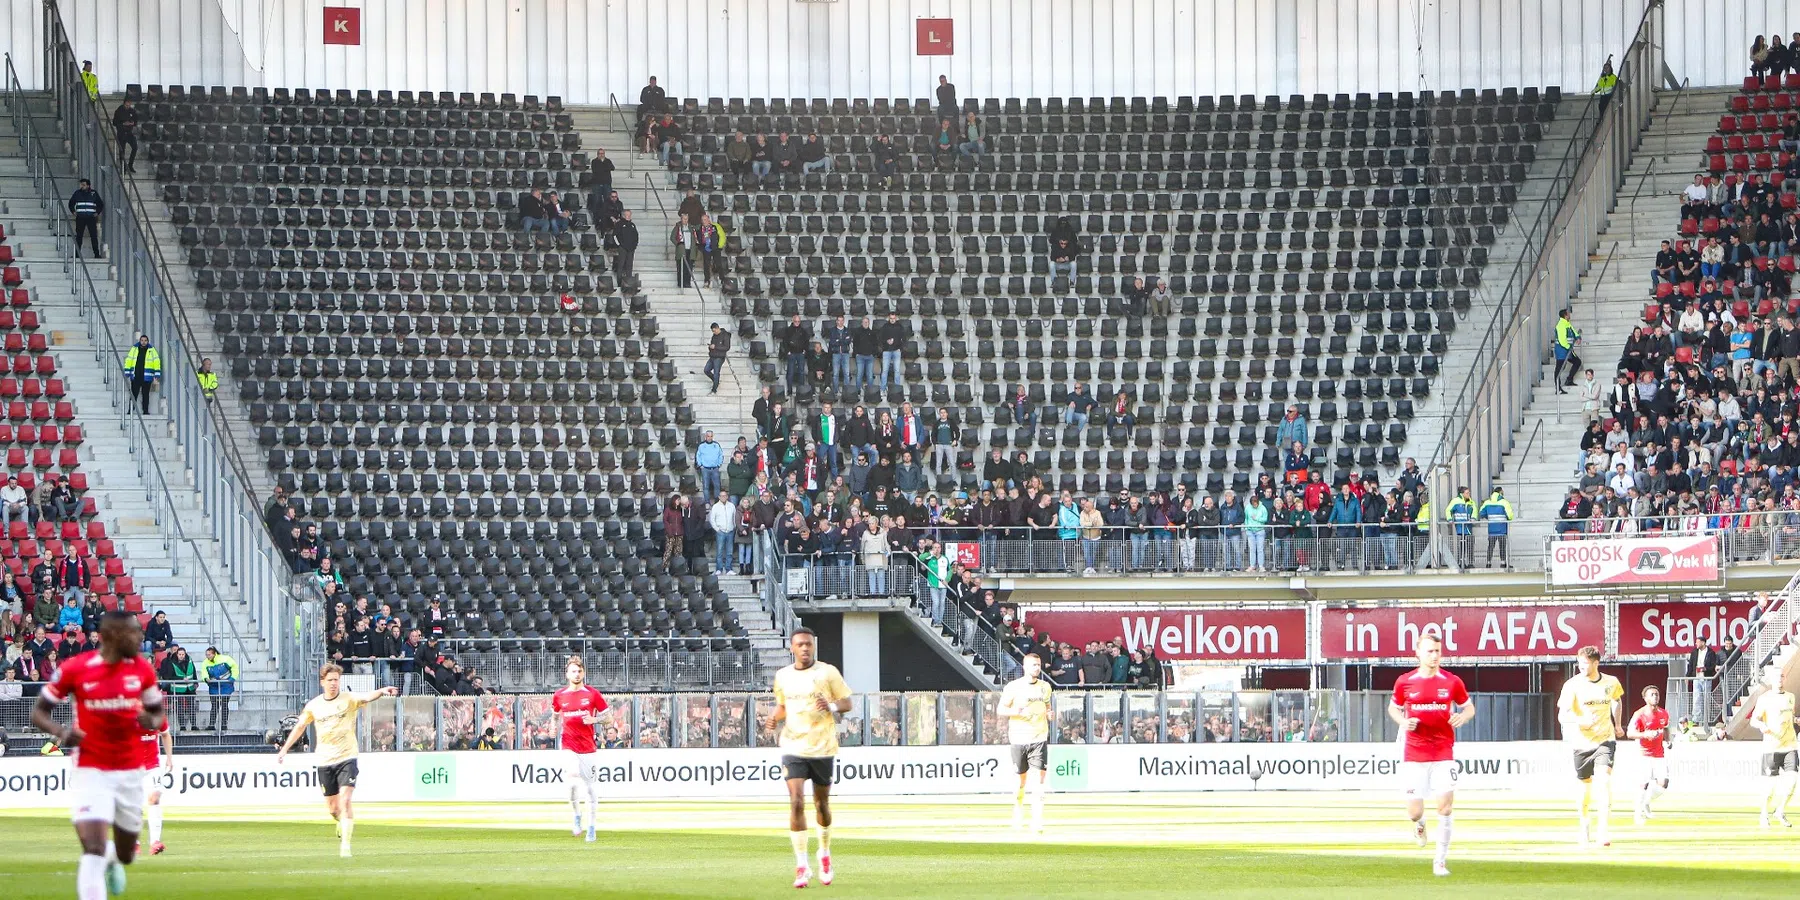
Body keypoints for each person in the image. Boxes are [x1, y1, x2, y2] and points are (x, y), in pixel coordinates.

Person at [31, 609, 165, 900]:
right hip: (90, 768)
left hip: (131, 770)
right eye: (133, 632)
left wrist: (151, 721)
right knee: (92, 847)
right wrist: (62, 731)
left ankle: (114, 859)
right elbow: (38, 711)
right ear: (112, 636)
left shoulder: (141, 669)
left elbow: (158, 713)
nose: (139, 637)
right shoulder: (76, 668)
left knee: (127, 853)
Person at [274, 663, 400, 857]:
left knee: (346, 799)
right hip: (325, 760)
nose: (334, 683)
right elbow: (299, 727)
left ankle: (346, 847)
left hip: (347, 756)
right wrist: (284, 749)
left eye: (336, 680)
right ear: (322, 682)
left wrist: (382, 691)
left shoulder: (348, 699)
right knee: (334, 809)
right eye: (330, 680)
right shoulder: (314, 705)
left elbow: (366, 696)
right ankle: (341, 822)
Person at [766, 628, 852, 889]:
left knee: (821, 804)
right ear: (792, 648)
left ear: (813, 646)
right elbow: (783, 706)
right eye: (800, 644)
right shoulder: (783, 676)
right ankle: (802, 865)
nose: (805, 648)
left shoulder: (827, 672)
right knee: (795, 802)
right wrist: (773, 717)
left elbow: (847, 703)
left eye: (809, 644)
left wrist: (832, 706)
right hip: (793, 745)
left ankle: (824, 853)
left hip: (822, 746)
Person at [1389, 632, 1473, 878]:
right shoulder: (1405, 682)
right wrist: (1404, 722)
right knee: (1414, 812)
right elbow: (1393, 708)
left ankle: (1440, 861)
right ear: (1418, 653)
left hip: (1443, 752)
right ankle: (1420, 824)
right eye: (1430, 651)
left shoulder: (1451, 681)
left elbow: (1469, 707)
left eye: (1437, 651)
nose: (1435, 656)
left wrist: (1462, 716)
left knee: (1445, 808)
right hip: (1414, 754)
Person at [1557, 645, 1624, 847]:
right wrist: (1580, 721)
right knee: (1584, 791)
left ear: (1596, 663)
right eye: (1579, 663)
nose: (1581, 667)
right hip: (1581, 743)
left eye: (1585, 663)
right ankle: (1584, 825)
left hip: (1605, 739)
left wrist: (1618, 724)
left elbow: (1617, 701)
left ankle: (1603, 831)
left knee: (1603, 782)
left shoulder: (1611, 682)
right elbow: (1562, 715)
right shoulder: (1572, 685)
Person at [552, 655, 613, 842]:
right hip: (568, 744)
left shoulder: (592, 694)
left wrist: (594, 719)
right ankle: (577, 816)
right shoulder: (559, 695)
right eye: (573, 671)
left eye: (579, 671)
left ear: (584, 673)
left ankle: (592, 827)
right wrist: (553, 727)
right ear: (567, 674)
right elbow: (555, 715)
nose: (577, 674)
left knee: (589, 788)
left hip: (587, 746)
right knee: (571, 782)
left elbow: (608, 718)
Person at [996, 652, 1052, 831]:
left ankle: (1037, 820)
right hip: (1019, 738)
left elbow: (1047, 706)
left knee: (1039, 781)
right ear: (1025, 667)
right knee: (1020, 782)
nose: (1037, 668)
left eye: (1039, 665)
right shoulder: (1013, 687)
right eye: (1034, 665)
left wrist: (1050, 714)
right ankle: (1018, 810)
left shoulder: (1045, 687)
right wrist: (1017, 712)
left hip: (1039, 737)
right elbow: (1000, 709)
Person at [1748, 671, 1798, 828]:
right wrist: (1762, 725)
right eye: (1777, 677)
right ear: (1772, 679)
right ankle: (1764, 814)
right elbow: (1753, 720)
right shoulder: (1765, 699)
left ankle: (1780, 811)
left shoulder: (1790, 697)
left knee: (1792, 782)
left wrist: (1796, 720)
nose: (1780, 679)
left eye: (1782, 676)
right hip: (1772, 747)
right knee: (1770, 787)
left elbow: (1789, 717)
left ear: (1785, 678)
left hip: (1790, 745)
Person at [1625, 685, 1671, 826]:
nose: (1655, 697)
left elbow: (1666, 727)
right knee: (1643, 784)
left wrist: (1668, 740)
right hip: (1644, 754)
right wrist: (1645, 734)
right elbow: (1630, 733)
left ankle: (1646, 802)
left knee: (1663, 783)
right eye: (1652, 694)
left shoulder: (1663, 713)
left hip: (1659, 754)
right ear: (1645, 698)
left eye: (1657, 694)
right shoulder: (1639, 714)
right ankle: (1637, 815)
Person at [137, 714, 171, 855]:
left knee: (155, 799)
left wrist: (169, 758)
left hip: (153, 766)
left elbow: (166, 735)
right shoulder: (129, 717)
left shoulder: (158, 717)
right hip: (133, 767)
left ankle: (155, 842)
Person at [200, 646, 238, 731]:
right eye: (206, 655)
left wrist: (232, 678)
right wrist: (206, 678)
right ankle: (211, 724)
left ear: (214, 654)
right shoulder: (205, 663)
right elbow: (204, 672)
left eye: (209, 655)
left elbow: (234, 667)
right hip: (214, 686)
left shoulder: (225, 659)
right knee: (214, 706)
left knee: (224, 705)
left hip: (226, 686)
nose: (207, 656)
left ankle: (224, 725)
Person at [121, 334, 160, 415]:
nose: (143, 342)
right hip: (136, 375)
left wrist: (157, 374)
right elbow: (129, 360)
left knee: (146, 395)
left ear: (148, 341)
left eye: (145, 340)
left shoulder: (152, 350)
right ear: (139, 341)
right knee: (133, 394)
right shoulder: (134, 349)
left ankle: (145, 411)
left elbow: (156, 362)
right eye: (142, 340)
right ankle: (130, 410)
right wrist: (127, 371)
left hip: (147, 376)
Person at [1477, 488, 1513, 568]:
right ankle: (1503, 563)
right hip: (1502, 529)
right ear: (1500, 492)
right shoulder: (1504, 502)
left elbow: (1481, 513)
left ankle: (1488, 562)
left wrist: (1489, 517)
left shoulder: (1487, 502)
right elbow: (1510, 516)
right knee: (1502, 546)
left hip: (1491, 529)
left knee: (1490, 546)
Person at [69, 178, 104, 258]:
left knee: (93, 236)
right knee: (79, 236)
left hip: (91, 217)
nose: (82, 186)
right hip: (80, 217)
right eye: (81, 185)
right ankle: (77, 254)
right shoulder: (77, 193)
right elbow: (71, 203)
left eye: (83, 185)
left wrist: (97, 212)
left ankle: (96, 254)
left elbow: (100, 204)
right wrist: (73, 211)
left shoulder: (93, 193)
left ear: (88, 186)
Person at [1553, 308, 1580, 392]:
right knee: (1559, 368)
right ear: (1565, 315)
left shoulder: (1567, 323)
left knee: (1577, 362)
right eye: (1568, 313)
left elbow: (1574, 332)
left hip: (1568, 350)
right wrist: (1569, 347)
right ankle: (1558, 388)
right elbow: (1562, 340)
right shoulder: (1561, 325)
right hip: (1562, 351)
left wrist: (1578, 337)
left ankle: (1569, 380)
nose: (1569, 314)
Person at [111, 97, 140, 174]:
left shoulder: (132, 111)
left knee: (135, 147)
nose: (128, 106)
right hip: (121, 133)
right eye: (126, 105)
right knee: (122, 151)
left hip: (129, 133)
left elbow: (136, 120)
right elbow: (114, 122)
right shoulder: (119, 111)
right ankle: (123, 167)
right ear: (124, 104)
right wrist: (123, 123)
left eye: (129, 105)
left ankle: (130, 165)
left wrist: (132, 123)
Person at [704, 322, 731, 394]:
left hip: (719, 357)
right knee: (706, 370)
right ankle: (716, 381)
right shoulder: (714, 336)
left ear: (717, 328)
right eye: (712, 331)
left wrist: (715, 347)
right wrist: (710, 347)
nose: (714, 332)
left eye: (714, 331)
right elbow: (712, 345)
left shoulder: (725, 335)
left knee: (716, 373)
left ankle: (714, 389)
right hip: (712, 356)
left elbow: (727, 347)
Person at [612, 209, 638, 277]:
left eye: (630, 215)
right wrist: (619, 245)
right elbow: (614, 235)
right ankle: (619, 281)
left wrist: (635, 245)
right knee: (621, 264)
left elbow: (636, 236)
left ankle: (629, 280)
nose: (629, 216)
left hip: (631, 248)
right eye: (627, 215)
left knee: (629, 265)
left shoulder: (632, 225)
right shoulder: (619, 224)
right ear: (623, 216)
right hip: (622, 248)